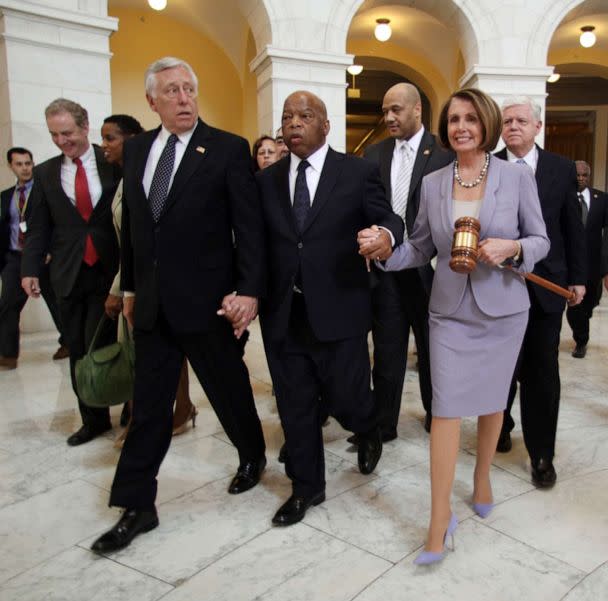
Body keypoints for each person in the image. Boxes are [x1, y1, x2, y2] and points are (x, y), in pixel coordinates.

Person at [362, 88, 549, 564]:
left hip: (504, 310)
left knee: (491, 403)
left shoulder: (514, 177)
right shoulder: (433, 182)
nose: (460, 127)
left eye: (470, 118)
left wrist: (513, 247)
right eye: (453, 119)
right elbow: (421, 247)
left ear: (485, 123)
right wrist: (386, 252)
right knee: (445, 409)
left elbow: (540, 239)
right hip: (447, 311)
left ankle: (482, 476)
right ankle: (439, 517)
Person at [91, 57, 266, 553]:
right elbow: (136, 231)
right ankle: (136, 505)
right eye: (172, 91)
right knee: (148, 408)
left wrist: (248, 291)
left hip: (209, 303)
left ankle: (251, 455)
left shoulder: (228, 149)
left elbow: (247, 229)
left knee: (229, 389)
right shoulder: (139, 148)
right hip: (151, 305)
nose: (184, 97)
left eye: (190, 88)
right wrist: (128, 290)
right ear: (152, 102)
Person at [255, 90, 404, 527]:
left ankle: (369, 425)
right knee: (295, 405)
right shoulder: (266, 180)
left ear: (326, 126)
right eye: (287, 116)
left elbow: (389, 219)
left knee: (348, 398)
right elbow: (257, 244)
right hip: (284, 312)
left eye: (305, 115)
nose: (294, 123)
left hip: (341, 309)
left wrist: (385, 237)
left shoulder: (356, 173)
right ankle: (307, 487)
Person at [495, 96, 586, 488]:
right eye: (507, 121)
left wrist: (578, 277)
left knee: (541, 373)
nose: (513, 126)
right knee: (500, 369)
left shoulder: (560, 169)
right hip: (496, 287)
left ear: (537, 126)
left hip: (547, 289)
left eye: (520, 120)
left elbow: (572, 228)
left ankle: (541, 454)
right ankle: (498, 426)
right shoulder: (488, 165)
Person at [21, 99, 120, 445]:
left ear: (84, 126)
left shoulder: (112, 162)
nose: (62, 141)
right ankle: (93, 419)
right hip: (67, 273)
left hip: (111, 271)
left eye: (67, 133)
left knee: (110, 344)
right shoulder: (46, 173)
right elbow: (37, 228)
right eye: (54, 135)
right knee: (77, 347)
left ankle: (131, 407)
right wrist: (29, 268)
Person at [362, 83, 454, 438]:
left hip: (430, 273)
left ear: (418, 110)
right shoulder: (373, 154)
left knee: (433, 350)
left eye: (396, 110)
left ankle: (437, 415)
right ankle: (383, 424)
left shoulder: (444, 155)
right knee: (387, 351)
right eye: (385, 111)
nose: (389, 118)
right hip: (387, 271)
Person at [100, 114, 197, 446]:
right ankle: (174, 410)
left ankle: (156, 417)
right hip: (134, 279)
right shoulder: (126, 177)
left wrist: (120, 288)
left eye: (111, 138)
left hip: (149, 279)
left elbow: (141, 238)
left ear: (132, 138)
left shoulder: (150, 175)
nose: (105, 146)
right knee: (150, 351)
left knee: (147, 353)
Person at [0, 147, 67, 369]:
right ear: (11, 166)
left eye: (28, 163)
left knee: (57, 302)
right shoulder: (5, 197)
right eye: (19, 164)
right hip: (15, 257)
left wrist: (49, 249)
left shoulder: (44, 190)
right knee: (8, 305)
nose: (25, 168)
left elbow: (53, 223)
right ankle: (8, 355)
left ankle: (67, 343)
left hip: (44, 257)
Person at [565, 161, 608, 358]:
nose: (580, 178)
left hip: (593, 263)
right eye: (577, 175)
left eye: (584, 175)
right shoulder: (563, 196)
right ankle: (581, 341)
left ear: (588, 176)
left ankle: (582, 324)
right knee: (575, 306)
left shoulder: (602, 199)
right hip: (567, 262)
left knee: (590, 302)